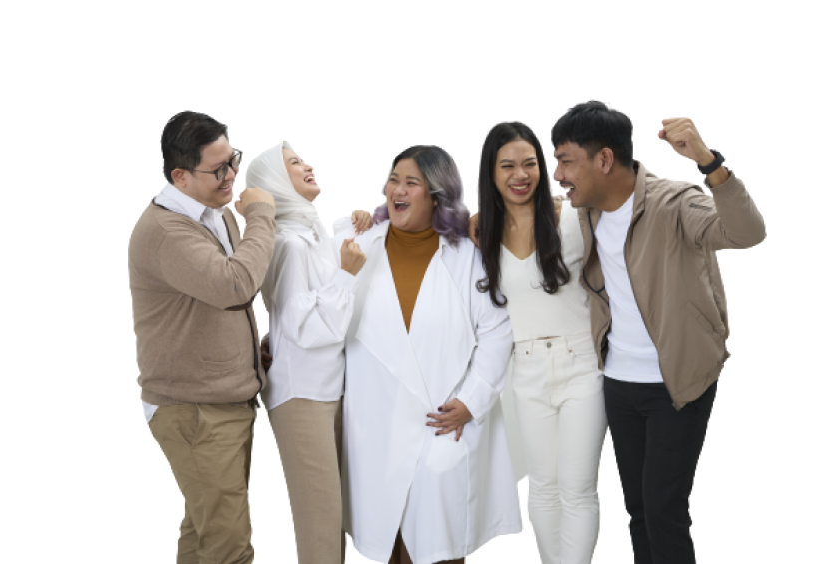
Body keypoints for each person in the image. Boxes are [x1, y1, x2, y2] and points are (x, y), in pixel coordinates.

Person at [550, 101, 766, 564]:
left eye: (565, 161)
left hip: (677, 382)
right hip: (619, 381)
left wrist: (708, 162)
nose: (558, 173)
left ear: (604, 159)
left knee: (664, 512)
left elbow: (747, 233)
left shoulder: (675, 202)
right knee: (639, 510)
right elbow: (522, 210)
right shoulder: (586, 210)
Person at [333, 145, 524, 564]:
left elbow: (497, 332)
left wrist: (471, 401)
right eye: (393, 180)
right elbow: (325, 309)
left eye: (411, 183)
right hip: (376, 424)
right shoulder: (357, 244)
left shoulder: (469, 255)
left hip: (441, 423)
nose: (397, 190)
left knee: (440, 542)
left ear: (437, 195)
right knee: (387, 537)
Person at [130, 111, 277, 564]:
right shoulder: (166, 231)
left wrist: (253, 350)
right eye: (218, 169)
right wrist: (261, 215)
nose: (232, 174)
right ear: (180, 176)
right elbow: (235, 286)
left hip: (220, 404)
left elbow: (218, 305)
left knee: (202, 535)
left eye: (233, 160)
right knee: (230, 548)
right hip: (195, 410)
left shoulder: (214, 212)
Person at [467, 120, 608, 564]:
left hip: (582, 364)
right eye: (507, 166)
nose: (520, 174)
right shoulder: (481, 235)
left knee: (578, 488)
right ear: (491, 173)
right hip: (525, 371)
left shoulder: (573, 218)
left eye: (529, 163)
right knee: (542, 486)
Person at [244, 139, 373, 564]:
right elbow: (307, 328)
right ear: (275, 182)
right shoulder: (289, 243)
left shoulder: (309, 232)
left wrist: (357, 222)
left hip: (326, 389)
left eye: (301, 158)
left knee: (335, 519)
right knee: (320, 525)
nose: (306, 166)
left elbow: (325, 265)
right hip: (302, 395)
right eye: (293, 163)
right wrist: (347, 276)